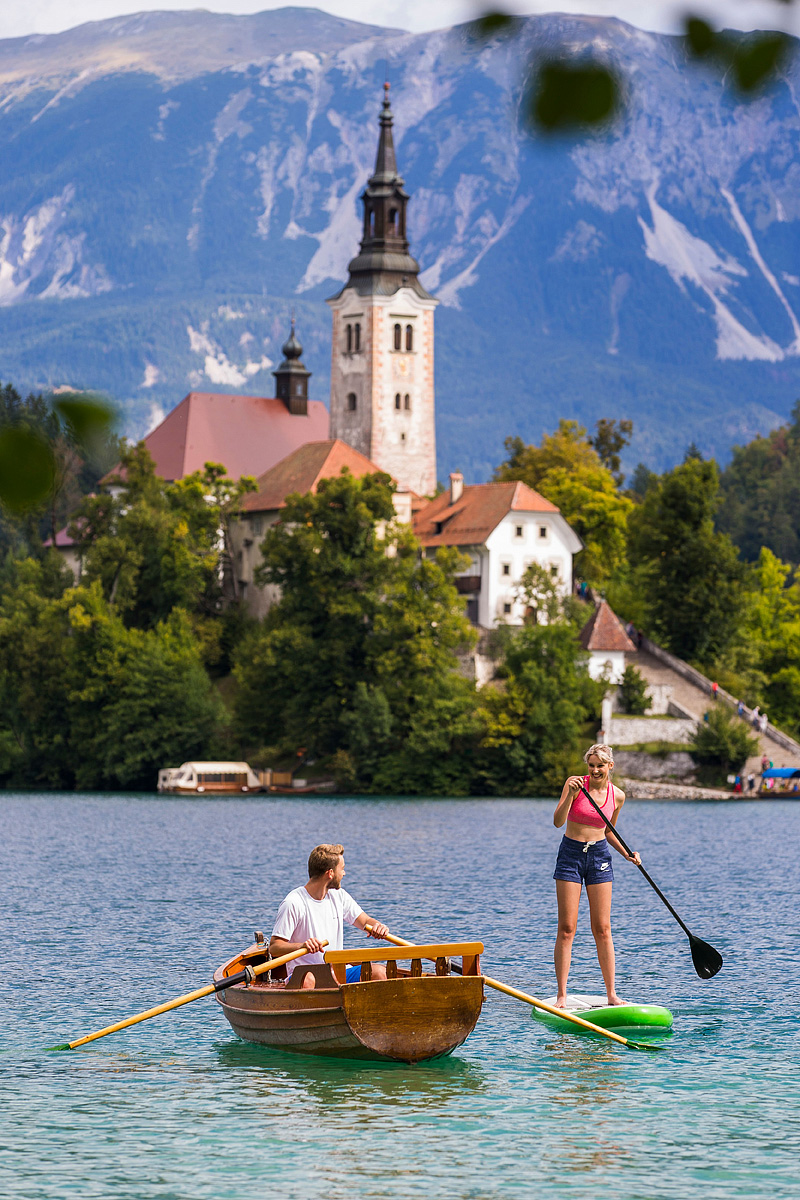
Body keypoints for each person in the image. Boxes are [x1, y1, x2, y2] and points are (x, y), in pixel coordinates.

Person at [552, 744, 641, 1009]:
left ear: (610, 766)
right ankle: (561, 995)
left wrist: (627, 853)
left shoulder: (618, 796)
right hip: (570, 855)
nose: (594, 770)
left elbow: (609, 830)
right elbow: (558, 821)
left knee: (602, 928)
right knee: (567, 928)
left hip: (600, 857)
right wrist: (570, 795)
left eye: (600, 765)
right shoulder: (575, 785)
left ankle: (612, 994)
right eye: (591, 765)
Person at [269, 843, 389, 989]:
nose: (344, 873)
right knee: (308, 980)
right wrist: (302, 945)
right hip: (304, 975)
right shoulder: (293, 902)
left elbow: (365, 921)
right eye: (342, 869)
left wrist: (377, 926)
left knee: (379, 973)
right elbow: (274, 947)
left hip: (337, 971)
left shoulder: (339, 896)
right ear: (330, 873)